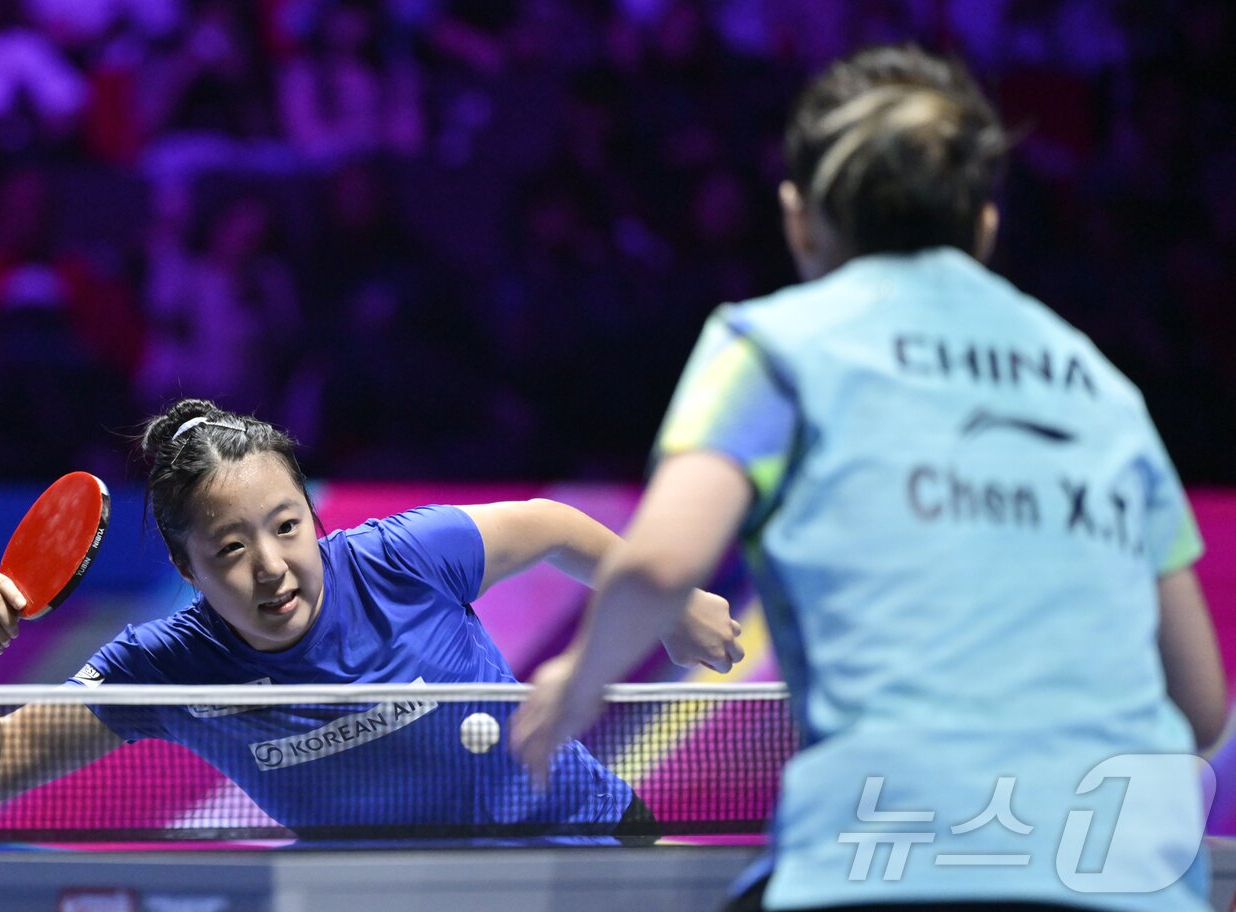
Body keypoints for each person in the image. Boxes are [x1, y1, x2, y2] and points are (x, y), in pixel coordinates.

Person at [513, 44, 1227, 910]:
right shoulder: (1103, 387)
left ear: (799, 219)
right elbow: (1199, 705)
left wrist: (576, 685)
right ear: (986, 223)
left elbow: (663, 566)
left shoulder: (773, 345)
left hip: (885, 871)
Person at [0, 397, 742, 843]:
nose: (273, 566)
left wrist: (669, 603)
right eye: (232, 547)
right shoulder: (164, 665)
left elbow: (551, 524)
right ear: (187, 570)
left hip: (581, 842)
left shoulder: (402, 558)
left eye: (287, 526)